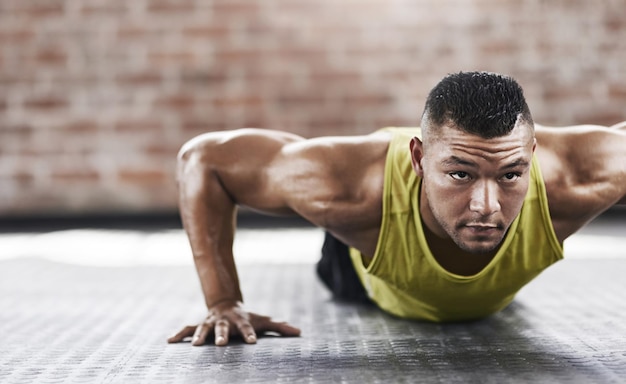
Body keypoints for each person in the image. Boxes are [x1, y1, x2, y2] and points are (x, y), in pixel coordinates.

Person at [167, 71, 626, 347]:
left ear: (531, 156)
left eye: (509, 175)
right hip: (362, 269)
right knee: (338, 239)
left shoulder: (577, 178)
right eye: (460, 174)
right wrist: (223, 301)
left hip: (495, 286)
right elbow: (203, 159)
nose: (487, 206)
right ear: (420, 159)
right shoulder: (347, 190)